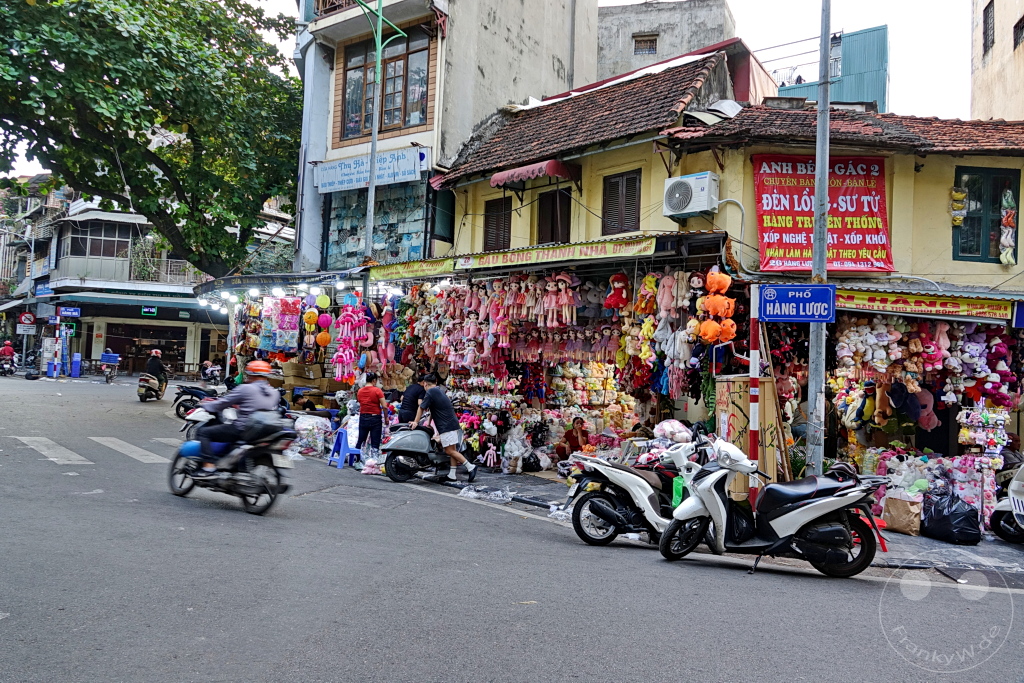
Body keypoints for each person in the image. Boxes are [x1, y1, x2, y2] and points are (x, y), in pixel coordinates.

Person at [193, 360, 282, 478]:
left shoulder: (246, 388)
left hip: (243, 428)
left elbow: (222, 403)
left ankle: (208, 467)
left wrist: (205, 405)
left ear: (251, 375)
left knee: (204, 432)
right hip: (263, 432)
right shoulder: (274, 392)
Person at [411, 374, 476, 482]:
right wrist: (428, 422)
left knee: (449, 451)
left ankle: (470, 467)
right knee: (453, 450)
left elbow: (421, 407)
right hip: (452, 424)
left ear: (425, 384)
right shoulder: (439, 390)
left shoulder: (430, 392)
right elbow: (433, 409)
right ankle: (452, 475)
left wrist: (416, 422)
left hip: (446, 425)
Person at [356, 372, 389, 459]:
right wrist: (386, 418)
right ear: (374, 380)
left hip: (363, 417)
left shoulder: (360, 391)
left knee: (361, 439)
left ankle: (357, 459)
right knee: (375, 441)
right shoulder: (377, 390)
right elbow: (384, 406)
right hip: (375, 418)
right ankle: (374, 461)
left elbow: (360, 402)